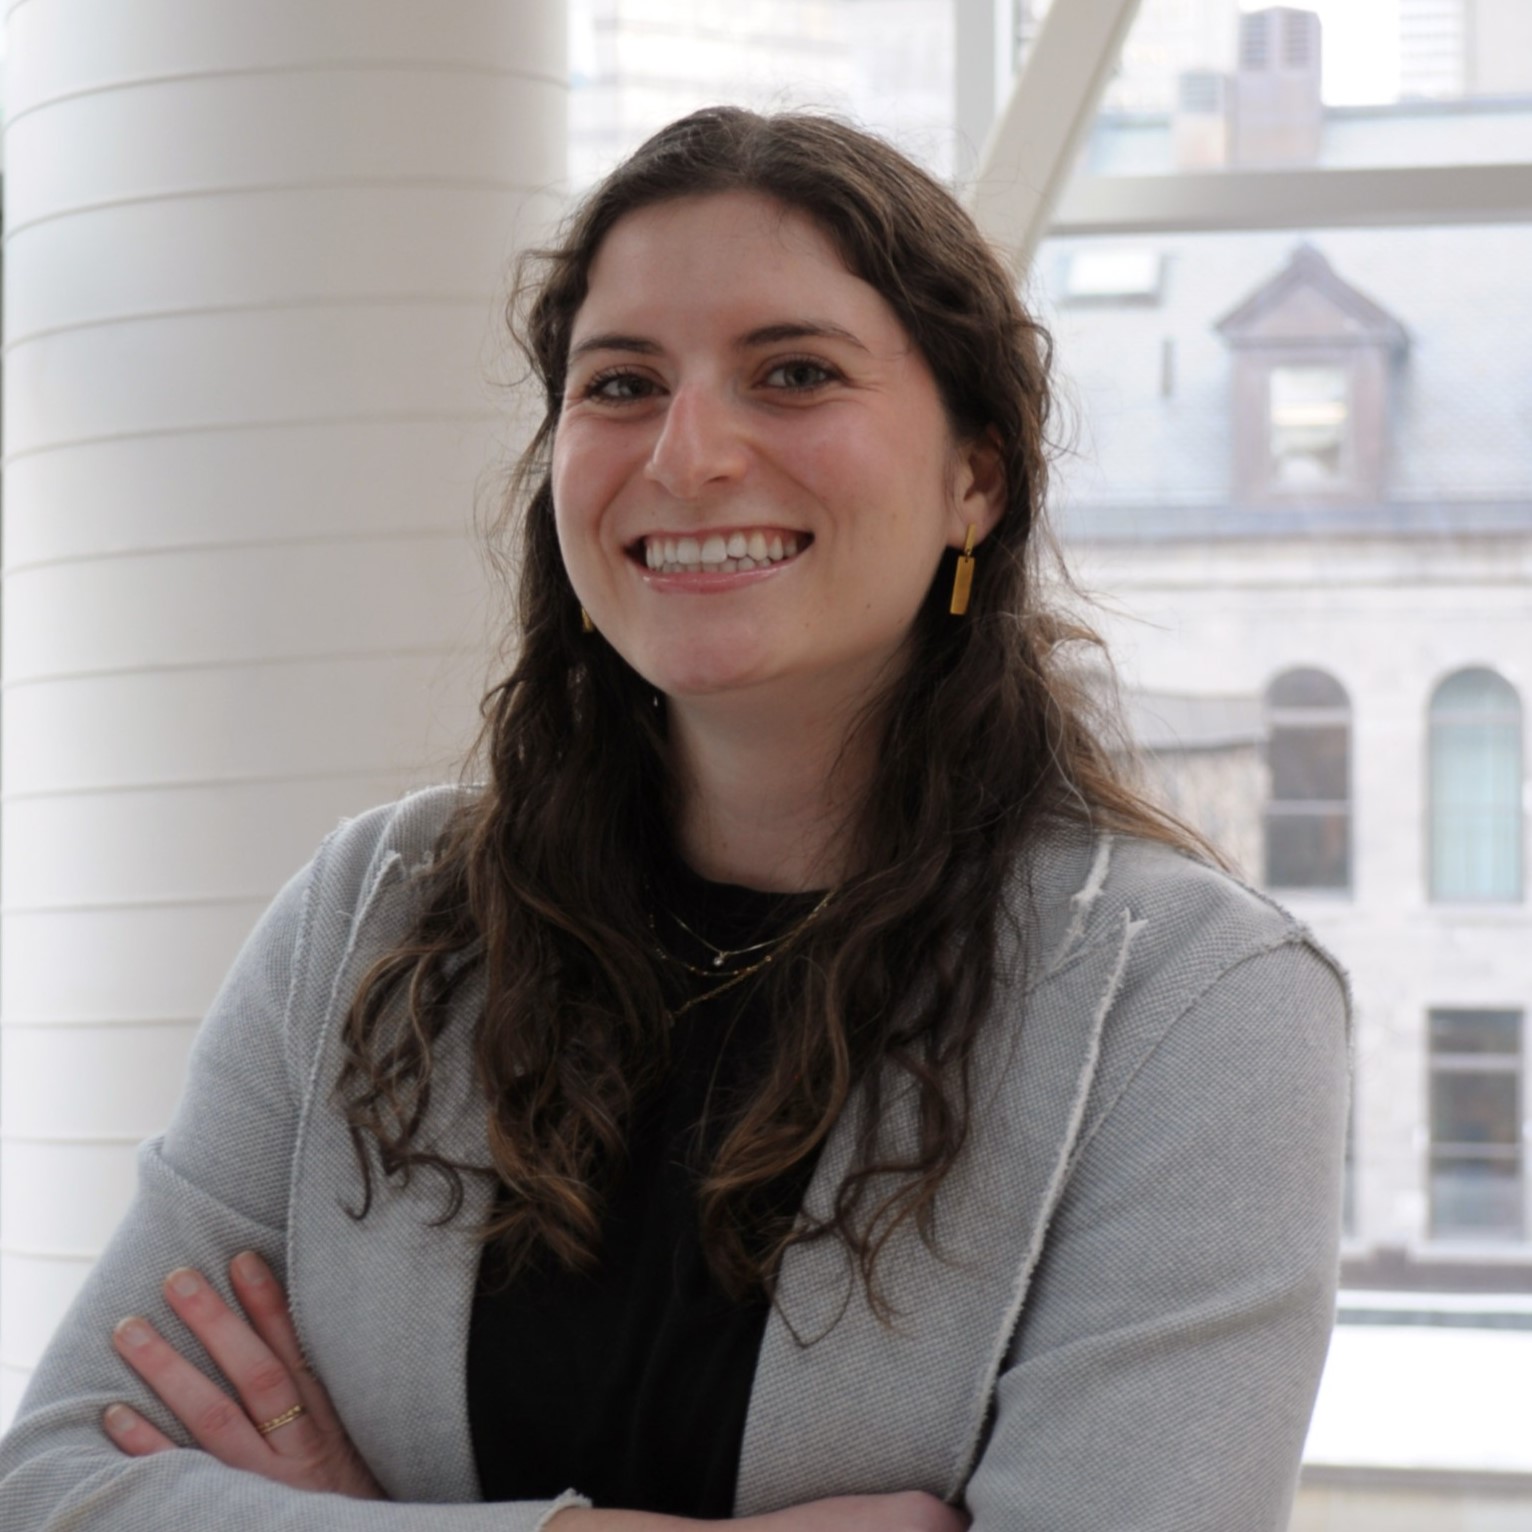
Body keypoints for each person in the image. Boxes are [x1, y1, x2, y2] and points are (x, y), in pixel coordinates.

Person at [0, 107, 1350, 1532]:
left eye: (795, 372)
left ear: (978, 476)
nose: (690, 454)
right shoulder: (374, 911)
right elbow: (58, 1488)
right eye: (623, 383)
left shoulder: (1193, 1006)